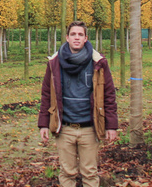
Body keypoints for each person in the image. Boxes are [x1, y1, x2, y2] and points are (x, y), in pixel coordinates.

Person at [38, 20, 118, 187]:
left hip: (89, 128)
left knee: (89, 172)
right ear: (67, 38)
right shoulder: (54, 63)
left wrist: (111, 126)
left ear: (86, 38)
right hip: (65, 128)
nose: (76, 38)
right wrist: (43, 124)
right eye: (73, 34)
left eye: (80, 35)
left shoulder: (98, 63)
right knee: (67, 172)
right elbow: (47, 94)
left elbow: (108, 95)